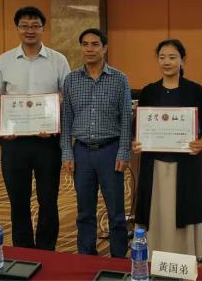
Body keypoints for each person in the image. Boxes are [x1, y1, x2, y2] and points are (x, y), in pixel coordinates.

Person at [0, 6, 70, 250]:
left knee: (48, 199)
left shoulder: (58, 60)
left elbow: (67, 95)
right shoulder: (4, 60)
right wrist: (7, 120)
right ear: (17, 28)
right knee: (18, 199)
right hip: (14, 142)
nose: (30, 30)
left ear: (43, 29)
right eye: (24, 25)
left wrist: (53, 120)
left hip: (47, 142)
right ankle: (23, 248)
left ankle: (46, 249)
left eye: (35, 26)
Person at [132, 39, 202, 258]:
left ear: (182, 60)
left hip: (184, 165)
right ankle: (155, 255)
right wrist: (136, 141)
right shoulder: (148, 91)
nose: (167, 62)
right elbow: (137, 126)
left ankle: (182, 257)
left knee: (181, 209)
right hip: (155, 165)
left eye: (172, 57)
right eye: (162, 57)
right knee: (155, 209)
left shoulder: (194, 90)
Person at [61, 28, 131, 258]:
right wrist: (67, 153)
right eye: (85, 44)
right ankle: (86, 256)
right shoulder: (71, 80)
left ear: (104, 48)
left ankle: (118, 258)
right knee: (84, 211)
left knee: (116, 212)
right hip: (81, 152)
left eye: (95, 44)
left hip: (110, 151)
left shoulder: (119, 79)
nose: (89, 49)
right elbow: (66, 119)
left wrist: (124, 151)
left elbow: (126, 119)